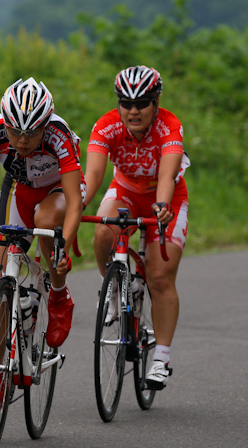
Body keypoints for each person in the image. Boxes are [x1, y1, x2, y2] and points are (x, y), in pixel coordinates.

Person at [0, 78, 85, 413]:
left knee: (46, 218)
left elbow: (75, 202)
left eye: (31, 133)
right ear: (5, 123)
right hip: (18, 191)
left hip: (57, 196)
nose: (22, 140)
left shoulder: (58, 135)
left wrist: (63, 245)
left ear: (45, 125)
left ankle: (59, 292)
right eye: (15, 132)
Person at [84, 65, 190, 390]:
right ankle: (112, 288)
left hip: (165, 198)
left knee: (160, 277)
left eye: (141, 103)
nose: (133, 110)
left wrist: (162, 207)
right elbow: (93, 178)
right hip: (126, 191)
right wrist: (76, 206)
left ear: (156, 102)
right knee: (103, 230)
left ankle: (161, 358)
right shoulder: (106, 126)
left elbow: (167, 176)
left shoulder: (169, 126)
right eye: (126, 103)